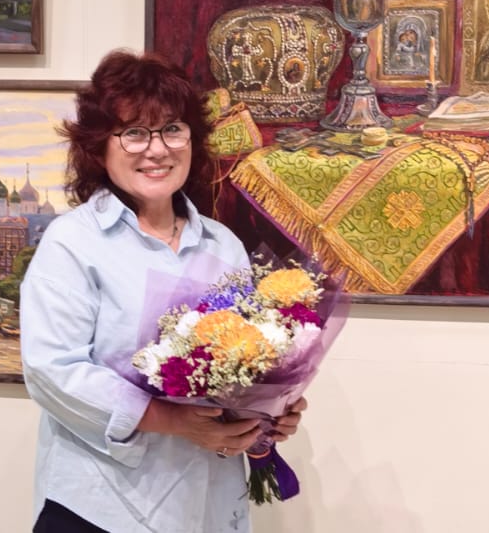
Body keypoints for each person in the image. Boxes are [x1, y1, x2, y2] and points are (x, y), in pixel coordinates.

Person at [21, 50, 307, 532]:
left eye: (173, 129)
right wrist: (172, 420)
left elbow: (248, 362)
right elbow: (53, 372)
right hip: (102, 506)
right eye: (134, 132)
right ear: (99, 147)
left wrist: (268, 412)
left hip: (205, 502)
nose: (156, 149)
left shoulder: (223, 245)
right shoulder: (73, 242)